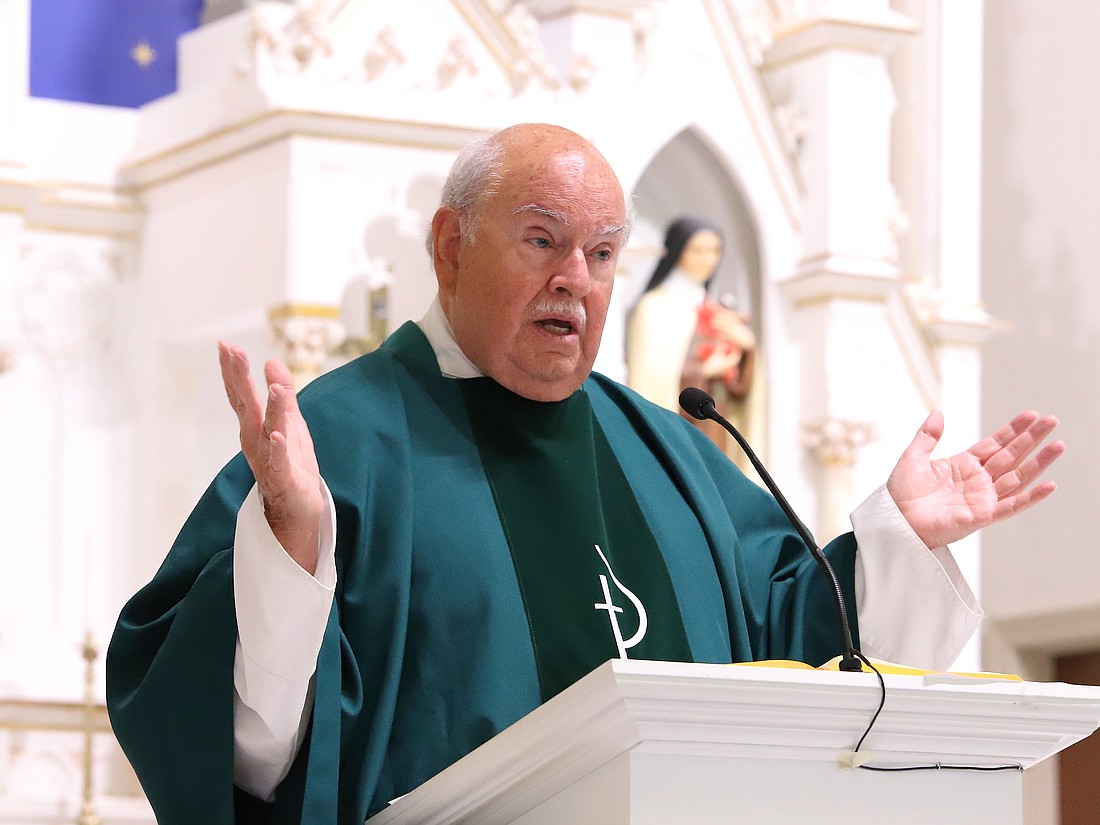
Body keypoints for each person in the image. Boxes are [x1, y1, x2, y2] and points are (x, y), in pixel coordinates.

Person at [106, 123, 1065, 825]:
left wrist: (893, 542)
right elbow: (244, 747)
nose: (578, 277)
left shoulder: (668, 451)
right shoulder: (339, 440)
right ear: (449, 247)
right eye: (542, 241)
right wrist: (292, 545)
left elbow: (798, 650)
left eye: (603, 254)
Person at [627, 216, 758, 451]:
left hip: (714, 421)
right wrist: (704, 371)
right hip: (681, 426)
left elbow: (738, 389)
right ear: (678, 250)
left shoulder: (713, 308)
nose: (707, 260)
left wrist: (747, 349)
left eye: (714, 251)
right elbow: (650, 377)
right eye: (697, 251)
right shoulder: (655, 307)